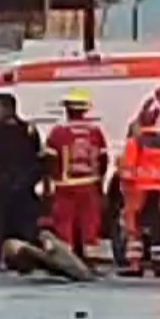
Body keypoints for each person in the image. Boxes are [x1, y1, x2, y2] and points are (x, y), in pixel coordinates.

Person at [43, 90, 109, 262]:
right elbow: (103, 159)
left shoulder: (58, 132)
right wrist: (100, 183)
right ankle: (90, 258)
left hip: (65, 186)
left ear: (67, 109)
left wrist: (49, 183)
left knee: (64, 223)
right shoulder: (95, 132)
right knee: (89, 222)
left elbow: (50, 159)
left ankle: (66, 259)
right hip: (89, 184)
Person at [0, 98, 43, 273]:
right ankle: (23, 262)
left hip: (1, 186)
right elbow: (37, 157)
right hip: (23, 186)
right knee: (22, 227)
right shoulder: (28, 130)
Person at [118, 120, 160, 277]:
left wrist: (125, 187)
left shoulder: (136, 142)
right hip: (159, 187)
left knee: (134, 227)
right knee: (157, 227)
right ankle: (159, 264)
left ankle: (135, 265)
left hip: (139, 188)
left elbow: (129, 169)